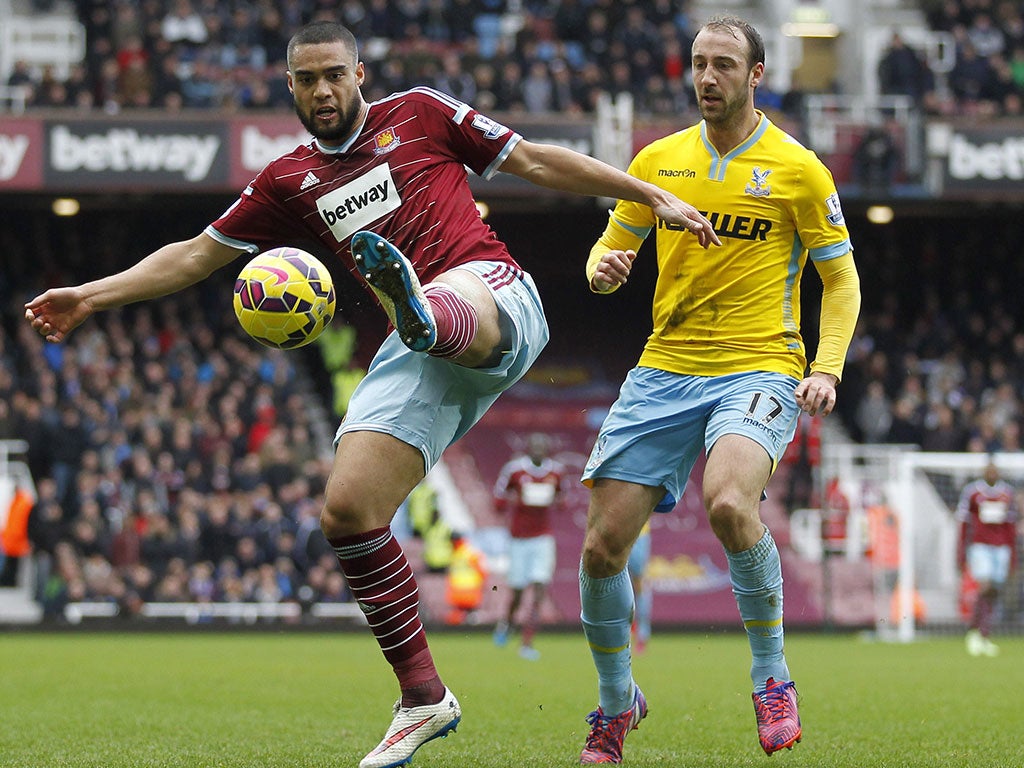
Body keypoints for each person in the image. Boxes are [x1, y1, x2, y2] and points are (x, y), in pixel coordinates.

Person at [25, 21, 719, 768]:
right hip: (417, 348)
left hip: (492, 295)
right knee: (347, 511)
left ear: (360, 71)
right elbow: (197, 254)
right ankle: (423, 696)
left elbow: (535, 161)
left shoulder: (419, 113)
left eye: (334, 75)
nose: (322, 91)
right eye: (306, 80)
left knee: (442, 302)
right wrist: (90, 298)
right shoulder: (288, 181)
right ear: (289, 88)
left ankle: (423, 314)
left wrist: (645, 194)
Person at [576, 15, 861, 763]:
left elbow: (840, 279)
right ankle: (615, 704)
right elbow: (612, 246)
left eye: (724, 65)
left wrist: (825, 365)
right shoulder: (657, 161)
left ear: (756, 74)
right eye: (700, 64)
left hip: (759, 364)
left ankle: (771, 675)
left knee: (731, 503)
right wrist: (602, 268)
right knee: (602, 549)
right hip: (665, 369)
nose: (708, 78)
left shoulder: (798, 170)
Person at [492, 432, 567, 661]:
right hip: (518, 539)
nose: (537, 450)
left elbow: (563, 501)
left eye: (541, 447)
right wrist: (519, 499)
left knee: (539, 588)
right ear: (527, 449)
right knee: (517, 591)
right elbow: (498, 501)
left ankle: (527, 642)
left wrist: (551, 499)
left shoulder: (556, 472)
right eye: (533, 446)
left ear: (546, 450)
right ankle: (507, 623)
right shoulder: (514, 470)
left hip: (542, 538)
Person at [956, 457, 1018, 657]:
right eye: (988, 469)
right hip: (980, 545)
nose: (992, 472)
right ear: (984, 471)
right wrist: (960, 552)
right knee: (985, 586)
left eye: (994, 470)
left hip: (1001, 548)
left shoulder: (1007, 493)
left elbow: (1011, 526)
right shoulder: (972, 492)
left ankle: (983, 634)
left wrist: (1013, 555)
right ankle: (974, 632)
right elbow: (964, 522)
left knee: (994, 591)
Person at [626, 521, 652, 655]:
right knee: (617, 581)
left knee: (639, 582)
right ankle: (624, 631)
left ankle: (642, 634)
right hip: (617, 531)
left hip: (639, 533)